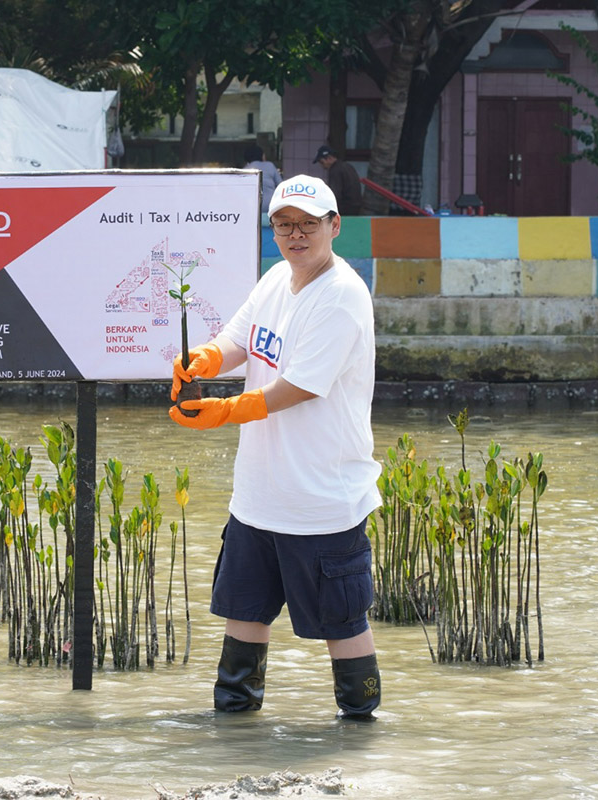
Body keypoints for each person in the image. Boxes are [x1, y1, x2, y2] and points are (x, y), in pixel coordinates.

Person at [168, 175, 382, 721]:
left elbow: (303, 386)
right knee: (244, 615)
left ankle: (361, 740)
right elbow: (238, 341)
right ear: (274, 231)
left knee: (344, 626)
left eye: (309, 224)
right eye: (285, 224)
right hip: (258, 497)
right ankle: (234, 733)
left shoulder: (342, 295)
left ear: (335, 226)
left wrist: (226, 410)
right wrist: (206, 361)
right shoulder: (273, 280)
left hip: (322, 501)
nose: (297, 234)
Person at [313, 144, 362, 216]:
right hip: (356, 208)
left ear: (329, 158)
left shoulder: (335, 170)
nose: (322, 166)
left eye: (322, 162)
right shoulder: (347, 166)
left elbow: (335, 194)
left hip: (344, 210)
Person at [243, 144, 282, 225]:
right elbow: (281, 184)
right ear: (262, 155)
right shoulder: (270, 165)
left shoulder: (245, 170)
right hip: (271, 204)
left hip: (254, 206)